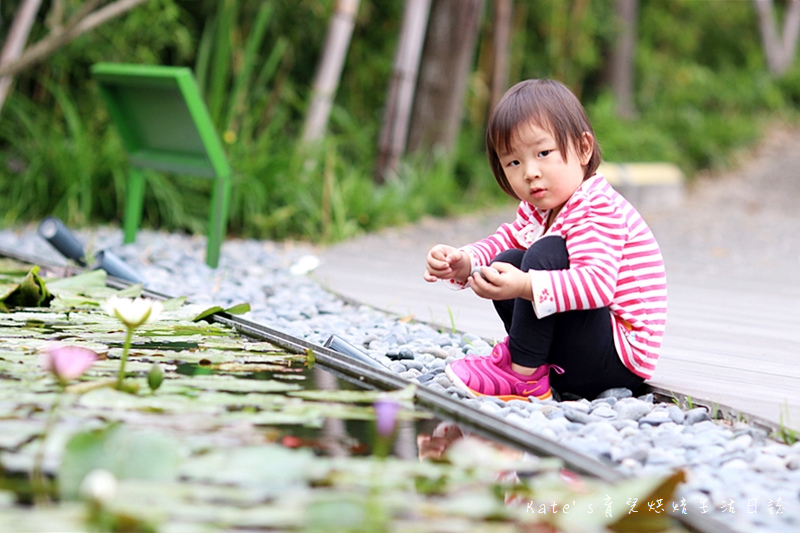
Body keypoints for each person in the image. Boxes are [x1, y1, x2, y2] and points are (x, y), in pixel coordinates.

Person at [423, 79, 667, 401]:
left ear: (583, 148)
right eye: (514, 162)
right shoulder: (541, 209)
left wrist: (524, 286)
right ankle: (532, 369)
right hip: (584, 352)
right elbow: (507, 239)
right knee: (507, 261)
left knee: (543, 253)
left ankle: (522, 375)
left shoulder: (596, 206)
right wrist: (464, 262)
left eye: (543, 153)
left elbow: (597, 285)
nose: (530, 172)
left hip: (619, 355)